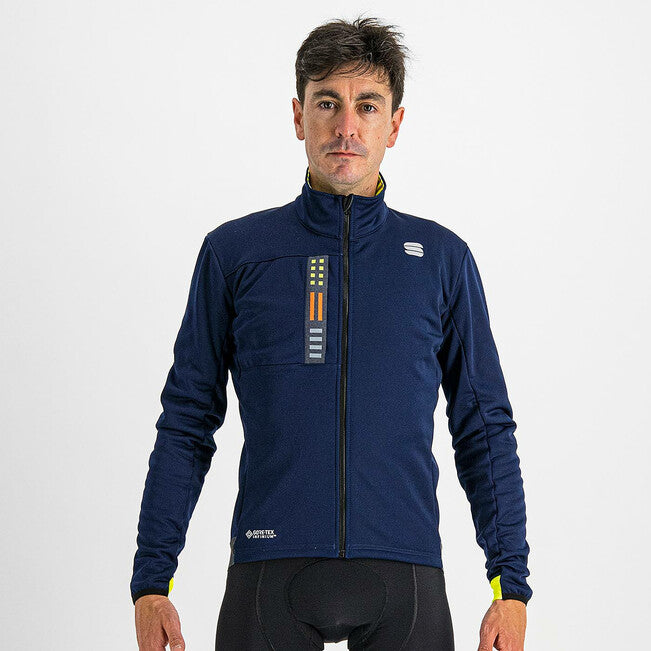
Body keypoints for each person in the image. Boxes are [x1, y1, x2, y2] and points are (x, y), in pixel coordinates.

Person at [131, 15, 532, 651]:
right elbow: (186, 420)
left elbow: (484, 428)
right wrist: (153, 580)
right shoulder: (237, 253)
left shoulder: (442, 259)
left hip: (404, 574)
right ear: (298, 116)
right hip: (270, 569)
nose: (347, 127)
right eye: (327, 103)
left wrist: (510, 585)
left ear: (394, 124)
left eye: (367, 106)